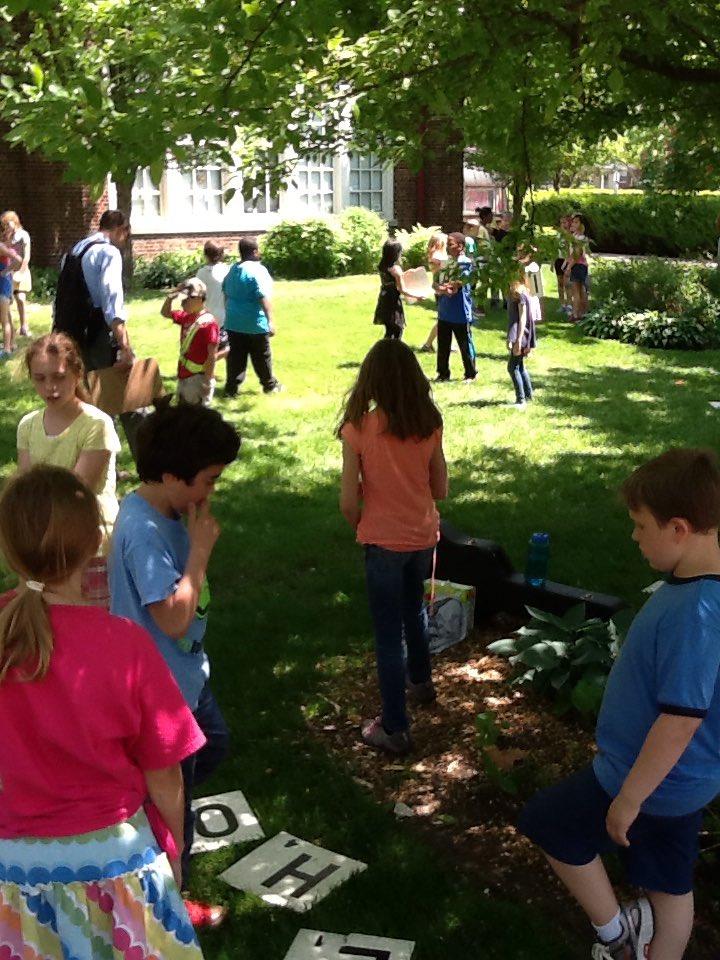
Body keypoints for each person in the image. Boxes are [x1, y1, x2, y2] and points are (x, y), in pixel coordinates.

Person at [518, 447, 720, 960]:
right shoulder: (701, 590)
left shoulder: (695, 612)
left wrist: (629, 798)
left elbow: (680, 719)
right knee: (670, 885)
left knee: (549, 823)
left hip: (643, 780)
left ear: (678, 528)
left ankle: (615, 936)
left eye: (639, 525)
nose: (633, 537)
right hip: (688, 784)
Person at [0, 464, 207, 958]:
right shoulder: (124, 645)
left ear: (9, 547)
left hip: (14, 873)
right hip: (117, 865)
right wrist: (173, 856)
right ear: (98, 542)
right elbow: (166, 775)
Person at [109, 402, 241, 928]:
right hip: (160, 688)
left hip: (186, 676)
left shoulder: (162, 510)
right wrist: (201, 552)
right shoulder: (143, 531)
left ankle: (144, 809)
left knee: (215, 746)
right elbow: (173, 620)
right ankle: (168, 903)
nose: (210, 492)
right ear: (170, 476)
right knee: (174, 804)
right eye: (207, 480)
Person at [337, 339, 448, 755]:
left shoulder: (358, 429)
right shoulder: (429, 422)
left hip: (382, 542)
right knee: (414, 608)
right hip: (422, 536)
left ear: (371, 381)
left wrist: (362, 522)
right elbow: (440, 487)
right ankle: (421, 683)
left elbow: (348, 502)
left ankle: (395, 728)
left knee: (387, 635)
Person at [17, 332, 121, 604]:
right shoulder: (27, 426)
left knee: (94, 625)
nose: (50, 387)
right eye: (40, 379)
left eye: (59, 377)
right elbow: (25, 489)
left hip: (90, 545)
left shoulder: (96, 424)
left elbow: (76, 491)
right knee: (51, 628)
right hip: (44, 544)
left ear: (77, 374)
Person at [63, 209, 144, 460]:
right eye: (126, 232)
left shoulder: (74, 251)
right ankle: (152, 465)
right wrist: (124, 346)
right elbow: (112, 303)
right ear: (120, 228)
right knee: (132, 400)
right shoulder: (108, 253)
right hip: (100, 334)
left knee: (93, 406)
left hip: (75, 336)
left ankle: (101, 467)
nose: (125, 238)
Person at [222, 235, 282, 395]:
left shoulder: (233, 270)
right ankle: (270, 385)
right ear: (255, 251)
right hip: (254, 323)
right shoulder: (258, 270)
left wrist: (228, 314)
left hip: (234, 322)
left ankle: (231, 388)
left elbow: (225, 294)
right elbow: (262, 297)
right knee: (262, 357)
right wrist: (270, 321)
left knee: (236, 357)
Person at [161, 277, 220, 406]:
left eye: (185, 300)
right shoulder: (186, 317)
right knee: (183, 411)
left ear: (198, 298)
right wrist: (170, 298)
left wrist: (207, 382)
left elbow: (212, 356)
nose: (182, 304)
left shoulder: (208, 324)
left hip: (197, 377)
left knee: (193, 416)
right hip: (184, 373)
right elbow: (165, 313)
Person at [433, 232, 477, 383]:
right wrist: (439, 288)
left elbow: (460, 283)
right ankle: (443, 373)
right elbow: (436, 281)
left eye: (451, 244)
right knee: (443, 344)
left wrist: (448, 289)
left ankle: (471, 373)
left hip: (460, 311)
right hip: (444, 311)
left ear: (461, 246)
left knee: (464, 343)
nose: (447, 248)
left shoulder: (465, 262)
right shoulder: (446, 262)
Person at [506, 268, 537, 409]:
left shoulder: (520, 294)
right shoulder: (520, 293)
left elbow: (522, 317)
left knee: (513, 367)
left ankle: (521, 399)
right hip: (520, 333)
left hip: (521, 334)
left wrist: (518, 340)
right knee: (520, 366)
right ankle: (529, 394)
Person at [373, 239, 414, 340]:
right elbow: (402, 289)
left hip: (384, 298)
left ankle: (385, 349)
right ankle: (394, 351)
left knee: (389, 329)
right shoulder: (396, 269)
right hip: (393, 301)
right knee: (398, 329)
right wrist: (417, 296)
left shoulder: (383, 266)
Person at [0, 210, 32, 337]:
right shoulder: (6, 236)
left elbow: (25, 256)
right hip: (8, 271)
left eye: (8, 223)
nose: (6, 227)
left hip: (20, 269)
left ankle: (24, 325)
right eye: (4, 225)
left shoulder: (23, 235)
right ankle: (11, 336)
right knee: (7, 302)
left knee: (21, 298)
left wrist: (21, 272)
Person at [420, 232, 448, 353]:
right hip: (440, 291)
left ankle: (448, 344)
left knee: (447, 321)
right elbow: (446, 261)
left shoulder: (437, 255)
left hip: (442, 289)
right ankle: (428, 344)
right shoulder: (436, 255)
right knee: (442, 321)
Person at [0, 225, 21, 360]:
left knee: (4, 319)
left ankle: (6, 349)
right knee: (7, 315)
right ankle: (12, 344)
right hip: (5, 283)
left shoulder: (1, 247)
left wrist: (4, 272)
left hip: (2, 284)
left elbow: (18, 260)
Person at [566, 212, 590, 323]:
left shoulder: (579, 238)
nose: (573, 224)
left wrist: (569, 267)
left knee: (577, 291)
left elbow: (577, 254)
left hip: (578, 265)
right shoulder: (576, 237)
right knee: (580, 290)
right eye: (573, 222)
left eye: (576, 222)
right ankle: (581, 313)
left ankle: (576, 314)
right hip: (580, 265)